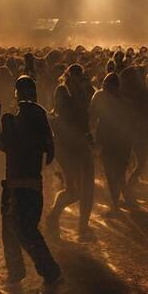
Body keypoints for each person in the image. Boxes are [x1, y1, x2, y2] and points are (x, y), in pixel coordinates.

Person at [0, 76, 62, 286]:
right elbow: (49, 151)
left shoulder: (14, 119)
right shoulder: (40, 117)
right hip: (33, 182)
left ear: (17, 93)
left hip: (16, 183)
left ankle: (46, 270)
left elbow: (2, 145)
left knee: (19, 230)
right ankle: (26, 271)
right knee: (25, 228)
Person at [47, 63, 96, 238]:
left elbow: (86, 117)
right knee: (73, 190)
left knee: (87, 185)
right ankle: (54, 216)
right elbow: (65, 114)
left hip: (79, 142)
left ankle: (83, 225)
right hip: (65, 144)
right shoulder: (63, 91)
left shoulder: (81, 92)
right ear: (69, 76)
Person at [92, 71, 135, 211]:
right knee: (119, 172)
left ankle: (117, 204)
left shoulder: (99, 96)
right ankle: (124, 200)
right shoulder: (125, 99)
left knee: (111, 173)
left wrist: (92, 138)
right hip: (122, 140)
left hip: (107, 139)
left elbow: (92, 115)